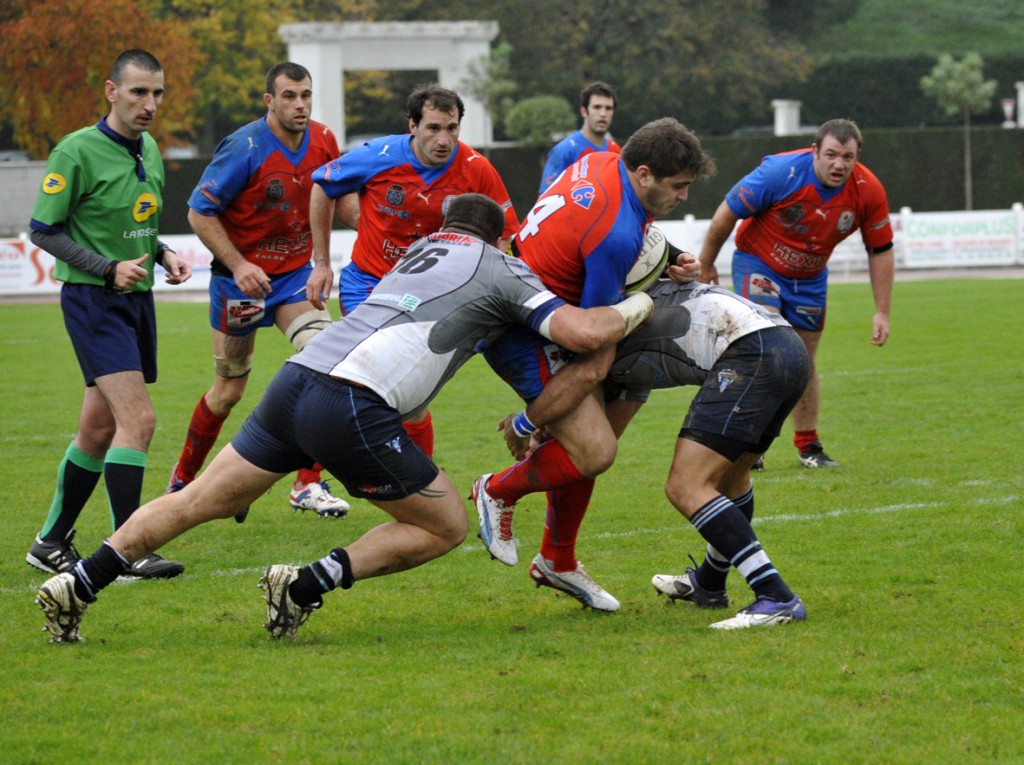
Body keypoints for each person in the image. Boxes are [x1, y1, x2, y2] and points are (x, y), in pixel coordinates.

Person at [33, 193, 655, 643]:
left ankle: (78, 584)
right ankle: (304, 586)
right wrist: (641, 300)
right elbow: (579, 329)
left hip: (298, 379)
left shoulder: (419, 249)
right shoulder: (500, 265)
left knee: (198, 500)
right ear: (499, 237)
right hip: (355, 402)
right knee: (444, 526)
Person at [472, 118, 716, 612]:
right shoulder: (615, 234)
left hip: (538, 300)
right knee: (595, 449)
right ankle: (496, 491)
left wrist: (675, 256)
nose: (684, 198)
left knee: (616, 408)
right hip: (519, 328)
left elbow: (631, 239)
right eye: (679, 187)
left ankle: (557, 560)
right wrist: (529, 423)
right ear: (644, 173)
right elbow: (594, 350)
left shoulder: (602, 161)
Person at [500, 279, 811, 629]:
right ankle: (709, 584)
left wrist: (529, 423)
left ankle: (775, 595)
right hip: (786, 344)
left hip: (749, 353)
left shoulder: (603, 332)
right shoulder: (632, 296)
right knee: (730, 479)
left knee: (686, 486)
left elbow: (589, 407)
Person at [24, 49, 192, 580]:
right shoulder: (75, 152)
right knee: (138, 421)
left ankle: (50, 542)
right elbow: (43, 230)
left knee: (97, 431)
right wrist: (105, 269)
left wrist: (162, 252)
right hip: (95, 301)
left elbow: (131, 226)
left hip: (135, 299)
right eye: (139, 92)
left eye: (158, 93)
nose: (150, 103)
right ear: (111, 91)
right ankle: (128, 550)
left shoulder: (149, 150)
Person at [164, 62, 350, 519]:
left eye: (305, 95)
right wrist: (239, 263)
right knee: (227, 392)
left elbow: (338, 196)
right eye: (289, 96)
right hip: (240, 284)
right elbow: (199, 213)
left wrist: (332, 256)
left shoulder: (324, 140)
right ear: (269, 101)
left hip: (291, 281)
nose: (299, 104)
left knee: (331, 364)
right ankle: (183, 479)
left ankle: (307, 484)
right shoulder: (243, 147)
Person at [307, 84, 519, 460]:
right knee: (361, 379)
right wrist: (321, 263)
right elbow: (323, 186)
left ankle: (419, 482)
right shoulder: (380, 155)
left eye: (452, 128)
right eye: (433, 128)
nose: (444, 139)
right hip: (369, 285)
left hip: (427, 297)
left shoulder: (475, 168)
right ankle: (313, 476)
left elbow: (506, 232)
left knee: (412, 395)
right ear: (413, 126)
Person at [698, 118, 894, 469]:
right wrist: (706, 264)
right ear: (815, 151)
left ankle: (809, 447)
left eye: (847, 157)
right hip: (760, 263)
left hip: (811, 277)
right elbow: (727, 212)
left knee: (802, 363)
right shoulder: (781, 172)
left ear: (857, 157)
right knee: (765, 349)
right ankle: (746, 444)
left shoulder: (868, 190)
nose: (839, 164)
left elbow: (880, 249)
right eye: (831, 154)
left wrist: (882, 311)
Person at [539, 81, 620, 194]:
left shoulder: (615, 151)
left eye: (608, 108)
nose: (603, 113)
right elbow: (544, 201)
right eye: (597, 107)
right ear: (584, 111)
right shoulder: (564, 151)